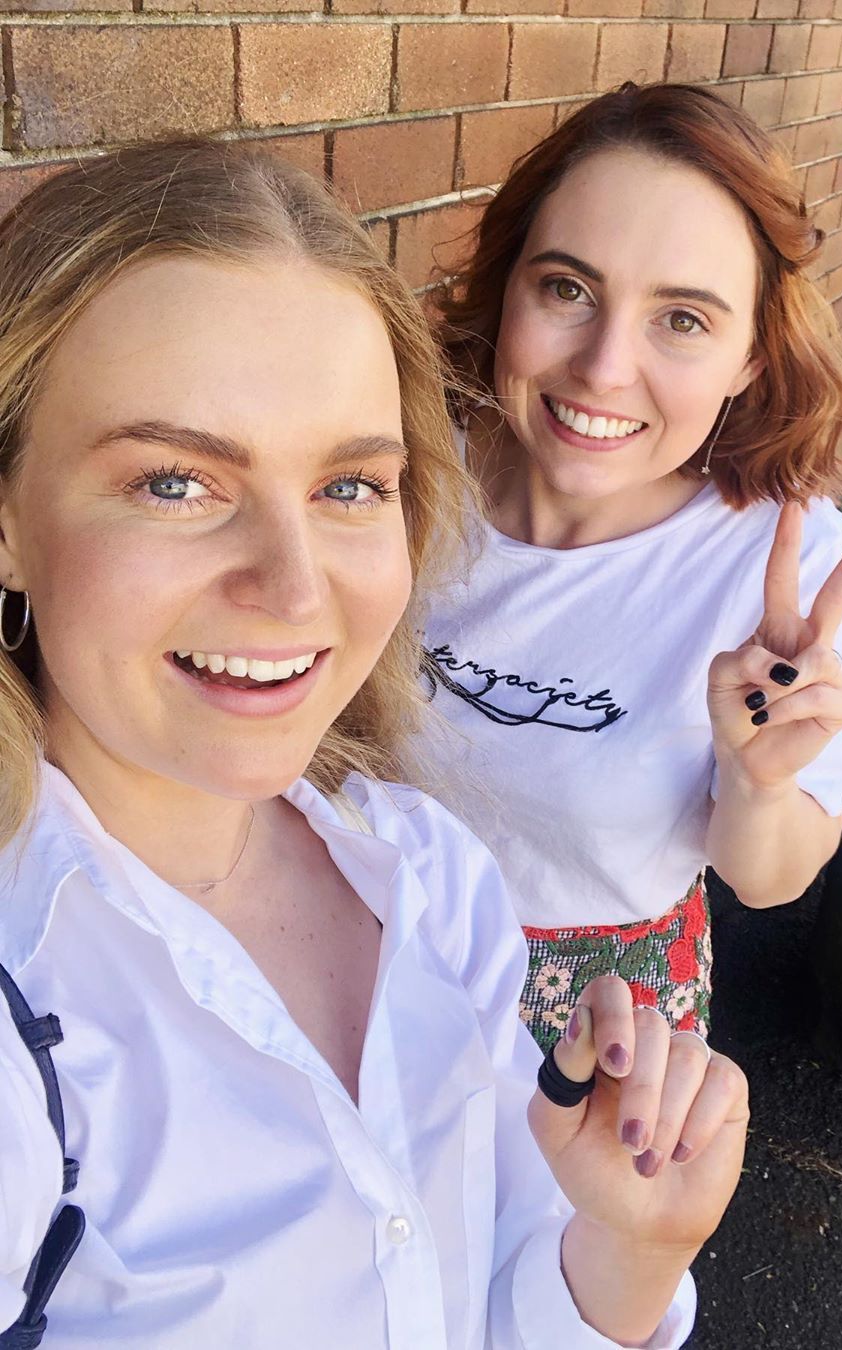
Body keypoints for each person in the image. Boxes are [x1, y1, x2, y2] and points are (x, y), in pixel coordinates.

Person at [0, 139, 749, 1349]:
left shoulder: (426, 872)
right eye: (175, 483)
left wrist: (631, 1250)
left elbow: (486, 1285)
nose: (296, 591)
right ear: (9, 521)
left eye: (349, 486)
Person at [421, 82, 842, 1050]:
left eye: (682, 320)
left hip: (592, 1027)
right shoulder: (404, 466)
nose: (602, 368)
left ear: (750, 356)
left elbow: (769, 878)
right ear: (510, 287)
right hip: (353, 946)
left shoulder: (783, 564)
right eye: (567, 289)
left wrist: (758, 782)